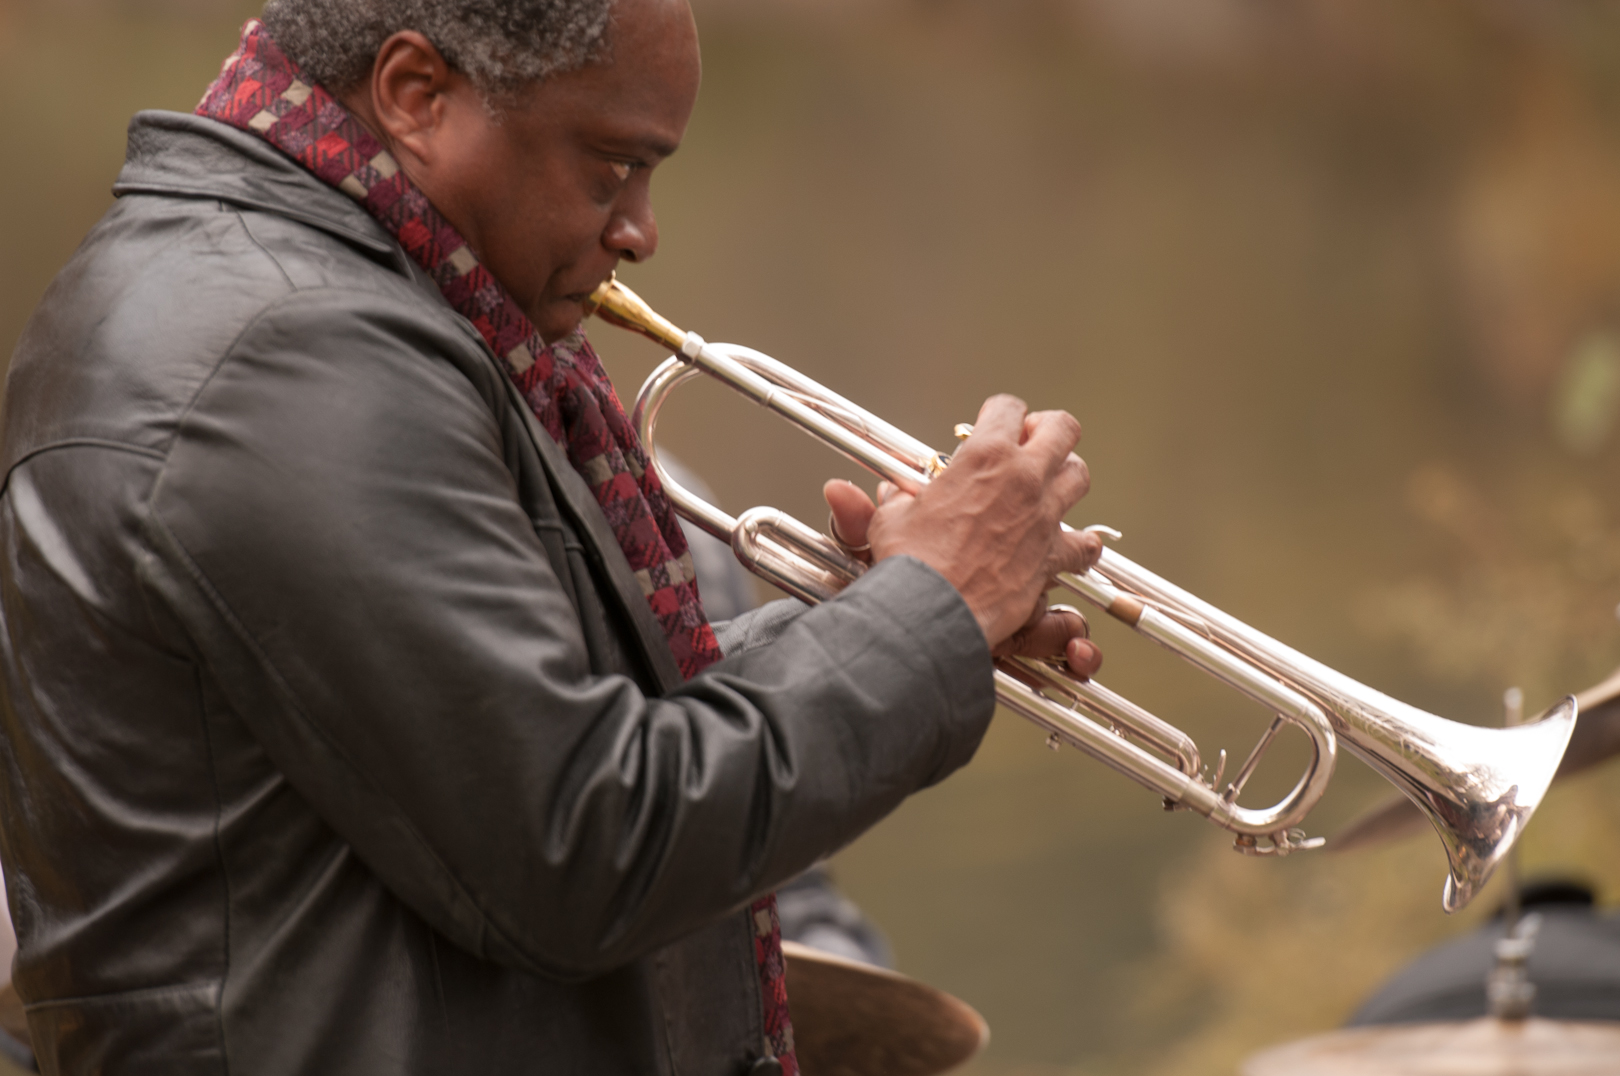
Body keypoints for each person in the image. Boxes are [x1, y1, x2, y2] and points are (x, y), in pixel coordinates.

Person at [0, 1, 1104, 1073]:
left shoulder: (319, 305)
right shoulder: (291, 356)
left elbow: (535, 755)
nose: (640, 230)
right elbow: (586, 837)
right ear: (416, 94)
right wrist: (926, 615)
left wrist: (894, 615)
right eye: (611, 163)